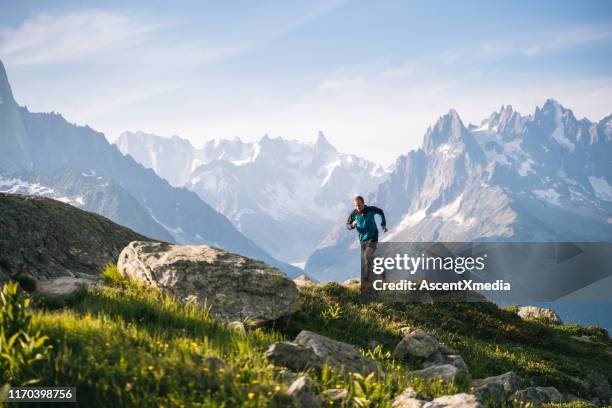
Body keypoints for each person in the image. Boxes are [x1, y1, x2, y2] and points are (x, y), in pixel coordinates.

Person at [346, 195, 387, 282]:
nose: (358, 207)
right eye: (356, 205)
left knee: (367, 255)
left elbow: (380, 212)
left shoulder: (370, 209)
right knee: (368, 259)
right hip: (362, 239)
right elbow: (348, 225)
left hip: (373, 236)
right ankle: (380, 272)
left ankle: (366, 278)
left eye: (359, 205)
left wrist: (383, 224)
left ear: (363, 203)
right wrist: (352, 225)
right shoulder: (354, 213)